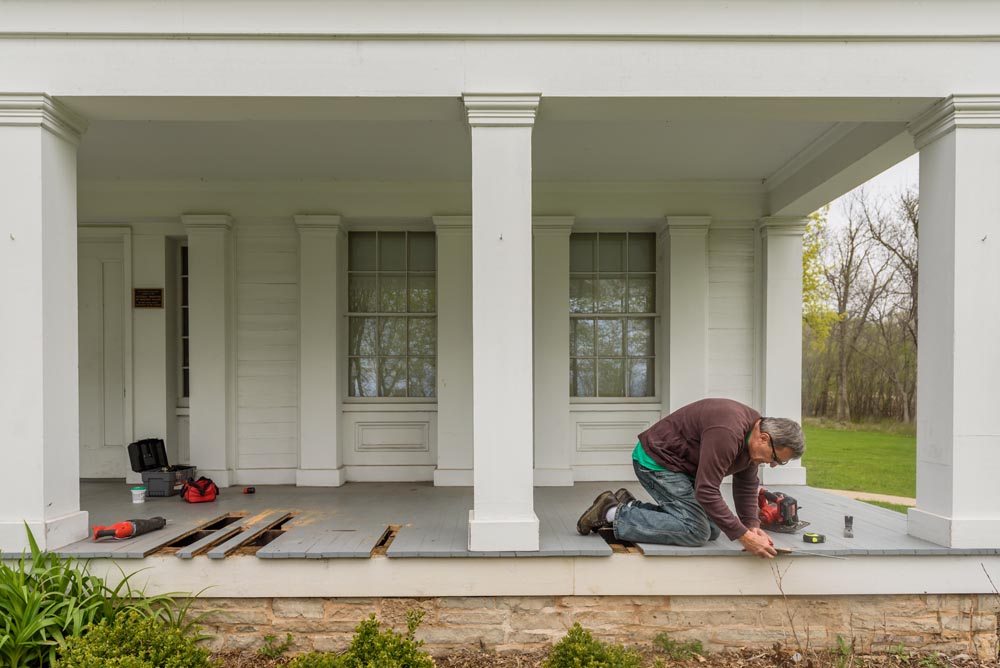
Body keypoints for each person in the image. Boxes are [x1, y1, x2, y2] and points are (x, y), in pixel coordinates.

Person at [575, 398, 805, 559]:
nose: (773, 464)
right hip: (657, 461)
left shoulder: (752, 440)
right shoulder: (728, 432)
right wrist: (743, 537)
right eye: (776, 458)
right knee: (696, 531)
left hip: (682, 468)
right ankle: (611, 512)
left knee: (714, 529)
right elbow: (706, 491)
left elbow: (746, 485)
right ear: (764, 438)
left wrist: (751, 526)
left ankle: (631, 506)